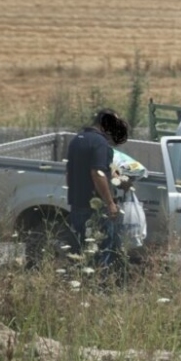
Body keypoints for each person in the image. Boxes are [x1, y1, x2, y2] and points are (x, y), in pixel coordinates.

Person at [66, 108, 129, 268]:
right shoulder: (100, 142)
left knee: (83, 251)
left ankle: (82, 286)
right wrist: (110, 203)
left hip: (77, 205)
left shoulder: (77, 140)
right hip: (94, 209)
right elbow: (97, 173)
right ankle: (97, 287)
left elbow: (70, 172)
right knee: (101, 253)